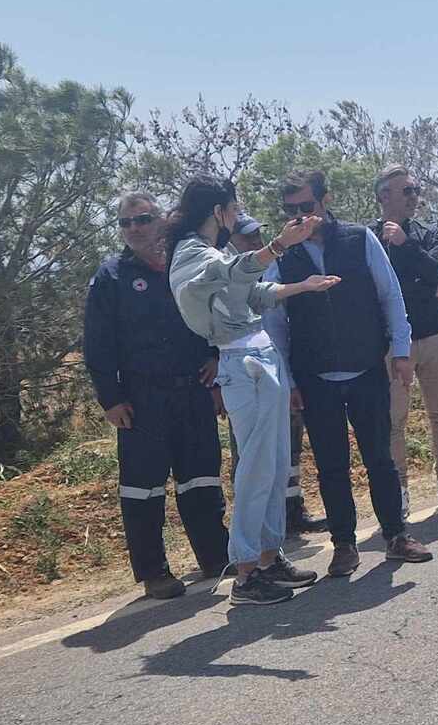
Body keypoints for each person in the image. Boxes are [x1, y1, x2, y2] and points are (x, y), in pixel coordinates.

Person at [168, 174, 335, 607]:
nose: (238, 214)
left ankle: (268, 556)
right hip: (241, 365)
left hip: (262, 357)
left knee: (275, 465)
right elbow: (228, 272)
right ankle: (244, 573)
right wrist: (277, 246)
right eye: (234, 207)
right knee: (256, 467)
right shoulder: (191, 254)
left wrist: (303, 286)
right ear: (217, 210)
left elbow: (254, 292)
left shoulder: (219, 252)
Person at [264, 170, 434, 579]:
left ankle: (396, 535)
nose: (299, 217)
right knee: (331, 466)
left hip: (366, 368)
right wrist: (288, 381)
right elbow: (275, 323)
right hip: (314, 377)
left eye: (307, 206)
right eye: (290, 210)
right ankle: (344, 544)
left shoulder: (360, 239)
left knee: (380, 458)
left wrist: (401, 351)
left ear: (325, 201)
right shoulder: (282, 256)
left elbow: (390, 295)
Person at [83, 191, 230, 600]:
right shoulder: (112, 276)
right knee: (142, 488)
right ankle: (154, 572)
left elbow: (215, 315)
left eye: (143, 219)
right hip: (141, 400)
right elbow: (97, 343)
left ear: (162, 220)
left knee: (201, 478)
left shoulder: (186, 262)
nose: (134, 228)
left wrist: (216, 361)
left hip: (194, 390)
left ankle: (216, 557)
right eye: (126, 222)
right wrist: (110, 399)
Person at [370, 164, 438, 512]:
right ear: (384, 196)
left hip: (435, 334)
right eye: (407, 190)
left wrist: (405, 244)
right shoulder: (367, 238)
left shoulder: (426, 233)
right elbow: (377, 290)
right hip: (394, 343)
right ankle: (400, 491)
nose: (414, 197)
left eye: (416, 190)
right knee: (394, 420)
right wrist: (429, 287)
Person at [227, 213, 327, 534]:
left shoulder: (274, 267)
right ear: (230, 240)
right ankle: (256, 525)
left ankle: (292, 511)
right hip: (247, 376)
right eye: (247, 237)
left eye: (258, 235)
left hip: (282, 368)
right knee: (252, 452)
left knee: (289, 447)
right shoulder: (227, 274)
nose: (255, 241)